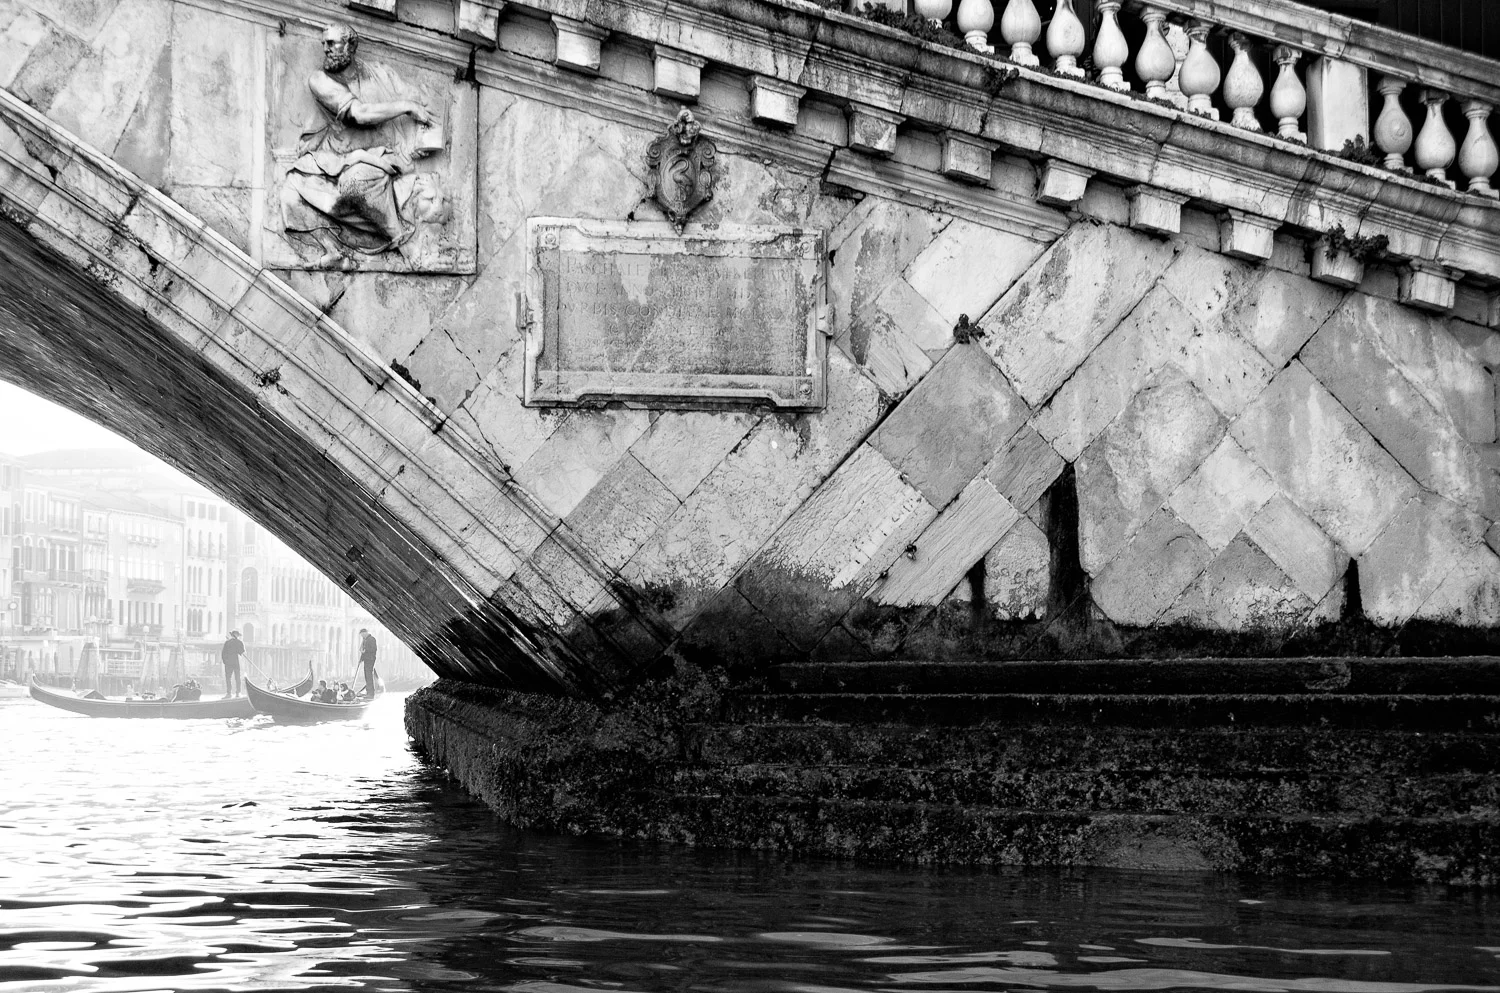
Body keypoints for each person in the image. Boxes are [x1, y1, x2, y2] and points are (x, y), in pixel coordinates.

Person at [280, 23, 434, 266]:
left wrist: (421, 136)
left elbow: (420, 100)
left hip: (381, 155)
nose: (326, 49)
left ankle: (402, 241)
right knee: (290, 189)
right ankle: (332, 251)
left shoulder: (380, 74)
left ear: (350, 46)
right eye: (323, 44)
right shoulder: (319, 80)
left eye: (332, 43)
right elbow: (358, 114)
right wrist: (406, 106)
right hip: (337, 156)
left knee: (357, 181)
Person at [221, 630, 246, 698]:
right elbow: (241, 652)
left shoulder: (227, 642)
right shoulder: (239, 642)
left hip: (228, 662)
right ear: (236, 635)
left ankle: (229, 693)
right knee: (237, 678)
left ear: (232, 635)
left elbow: (223, 653)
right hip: (235, 662)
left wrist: (225, 661)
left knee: (228, 678)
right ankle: (238, 692)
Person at [358, 628, 378, 698]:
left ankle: (371, 693)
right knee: (367, 676)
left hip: (370, 659)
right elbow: (361, 650)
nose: (362, 637)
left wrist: (365, 651)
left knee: (369, 675)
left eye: (362, 635)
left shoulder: (372, 639)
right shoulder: (365, 640)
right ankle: (368, 691)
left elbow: (373, 649)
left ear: (365, 633)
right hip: (366, 659)